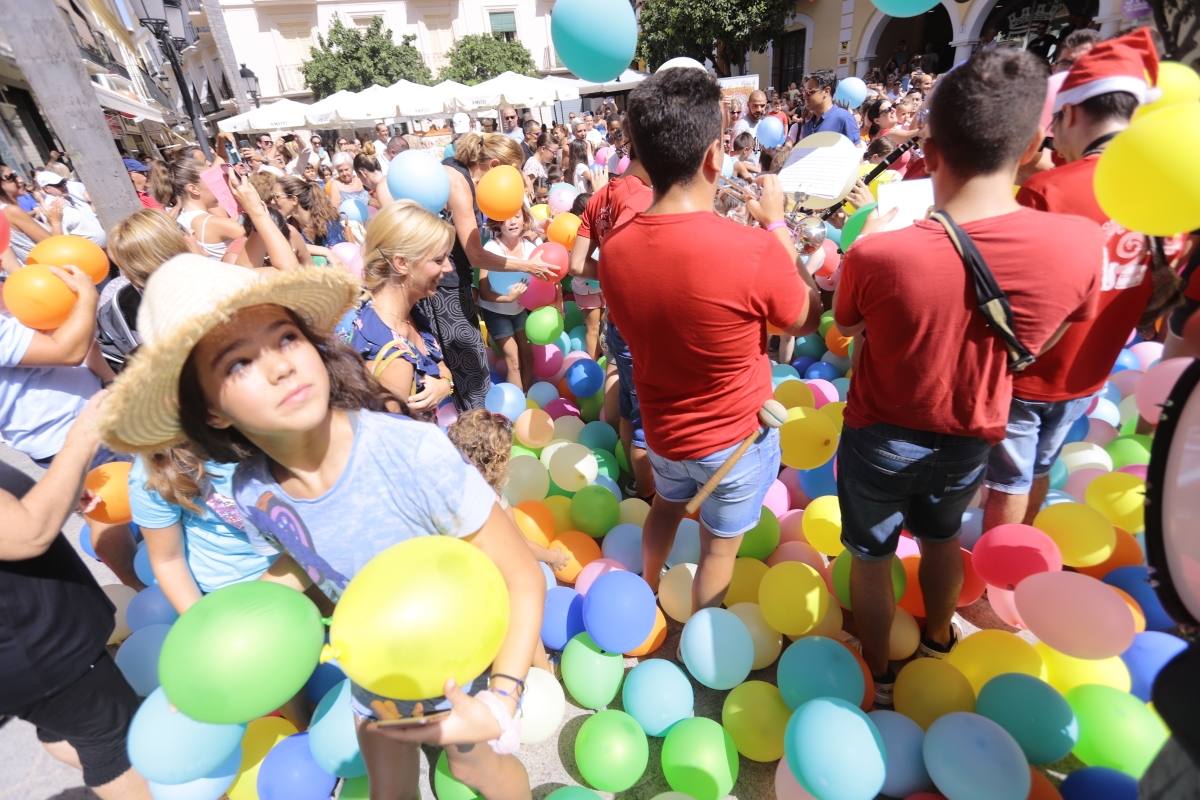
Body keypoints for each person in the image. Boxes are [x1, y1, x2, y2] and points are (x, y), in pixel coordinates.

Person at [98, 255, 544, 800]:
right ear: (211, 410)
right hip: (376, 673)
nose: (280, 366)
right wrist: (221, 647)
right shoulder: (251, 490)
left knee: (479, 770)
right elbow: (303, 556)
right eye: (236, 363)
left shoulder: (412, 453)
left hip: (462, 664)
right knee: (388, 788)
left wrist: (503, 697)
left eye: (285, 337)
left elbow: (521, 575)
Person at [831, 48, 1103, 705]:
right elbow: (1055, 333)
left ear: (930, 147)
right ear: (1036, 144)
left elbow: (847, 328)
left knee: (870, 557)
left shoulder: (879, 251)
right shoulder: (1078, 246)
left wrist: (890, 238)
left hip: (880, 437)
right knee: (944, 535)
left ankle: (883, 671)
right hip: (972, 438)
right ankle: (936, 641)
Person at [600, 66, 821, 614]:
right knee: (718, 549)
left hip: (664, 432)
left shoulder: (616, 251)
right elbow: (808, 317)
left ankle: (649, 591)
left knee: (665, 509)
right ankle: (700, 631)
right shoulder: (752, 249)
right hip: (734, 441)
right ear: (714, 157)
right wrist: (776, 226)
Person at [984, 28, 1181, 530]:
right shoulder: (1164, 190)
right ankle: (1021, 556)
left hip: (1029, 372)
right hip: (1093, 369)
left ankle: (991, 582)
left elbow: (1009, 288)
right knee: (1042, 466)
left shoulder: (1049, 190)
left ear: (1070, 113)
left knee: (1008, 479)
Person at [1, 393, 151, 800]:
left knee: (64, 726)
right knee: (114, 741)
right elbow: (26, 533)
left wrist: (59, 494)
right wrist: (83, 437)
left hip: (30, 647)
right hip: (34, 647)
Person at [438, 132, 553, 410]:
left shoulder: (456, 173)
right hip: (443, 288)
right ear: (494, 166)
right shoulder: (459, 183)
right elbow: (476, 255)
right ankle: (479, 437)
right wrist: (529, 266)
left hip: (450, 283)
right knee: (471, 368)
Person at [348, 200, 456, 420]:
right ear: (401, 263)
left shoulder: (409, 313)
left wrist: (445, 385)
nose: (448, 267)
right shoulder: (388, 354)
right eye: (438, 259)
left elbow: (440, 365)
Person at [480, 211, 535, 391]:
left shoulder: (531, 248)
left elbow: (549, 278)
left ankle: (526, 396)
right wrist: (508, 298)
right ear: (497, 223)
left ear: (525, 219)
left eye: (517, 216)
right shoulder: (491, 249)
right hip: (496, 311)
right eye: (505, 218)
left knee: (527, 354)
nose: (511, 222)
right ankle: (517, 410)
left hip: (519, 309)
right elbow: (484, 292)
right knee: (513, 360)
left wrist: (557, 301)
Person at [172, 158, 243, 260]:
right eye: (211, 180)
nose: (218, 184)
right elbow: (261, 232)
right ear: (194, 189)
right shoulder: (210, 222)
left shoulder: (181, 219)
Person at [0, 165, 57, 264]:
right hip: (49, 268)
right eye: (11, 177)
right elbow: (53, 245)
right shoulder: (11, 211)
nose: (20, 180)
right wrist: (56, 221)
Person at [35, 172, 105, 246]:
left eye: (64, 182)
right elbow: (61, 239)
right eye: (58, 185)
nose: (63, 186)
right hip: (91, 251)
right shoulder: (53, 208)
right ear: (46, 189)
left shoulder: (66, 197)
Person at [274, 174, 344, 248]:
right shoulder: (289, 226)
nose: (272, 202)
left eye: (277, 197)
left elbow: (338, 253)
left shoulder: (328, 222)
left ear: (294, 200)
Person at [801, 71, 861, 144]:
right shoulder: (808, 124)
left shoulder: (843, 118)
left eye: (810, 91)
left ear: (826, 91)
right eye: (804, 91)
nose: (804, 96)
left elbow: (856, 150)